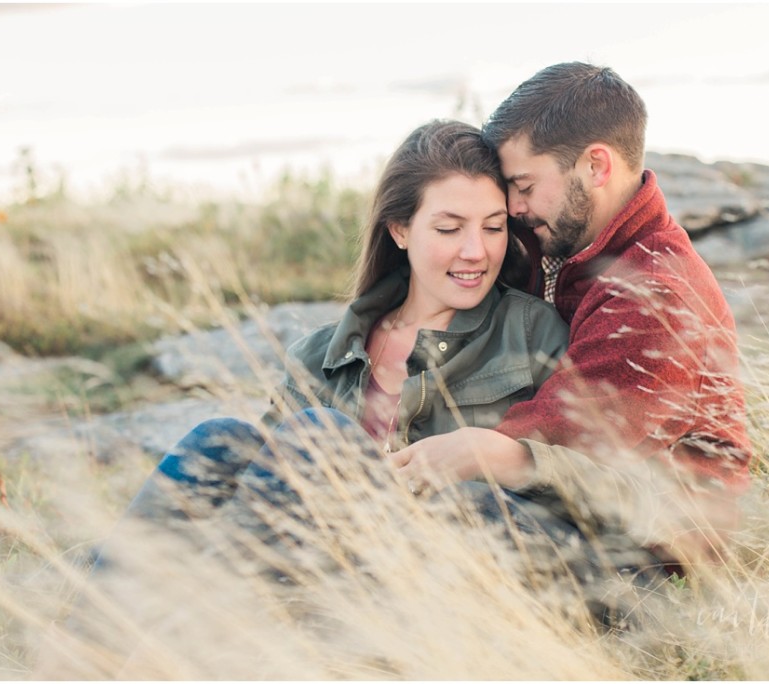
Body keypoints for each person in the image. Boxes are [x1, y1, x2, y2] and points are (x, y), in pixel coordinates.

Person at [97, 119, 572, 564]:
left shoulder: (532, 332)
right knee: (220, 440)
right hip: (317, 563)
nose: (477, 251)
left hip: (439, 563)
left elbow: (598, 475)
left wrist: (504, 456)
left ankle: (202, 618)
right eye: (449, 228)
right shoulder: (319, 353)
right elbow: (263, 492)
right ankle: (88, 641)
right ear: (400, 229)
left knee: (318, 433)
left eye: (493, 227)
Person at [389, 62, 754, 578]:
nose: (513, 208)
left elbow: (563, 436)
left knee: (455, 513)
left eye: (524, 185)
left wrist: (442, 453)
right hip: (569, 505)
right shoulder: (562, 245)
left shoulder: (657, 290)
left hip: (645, 551)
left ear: (596, 167)